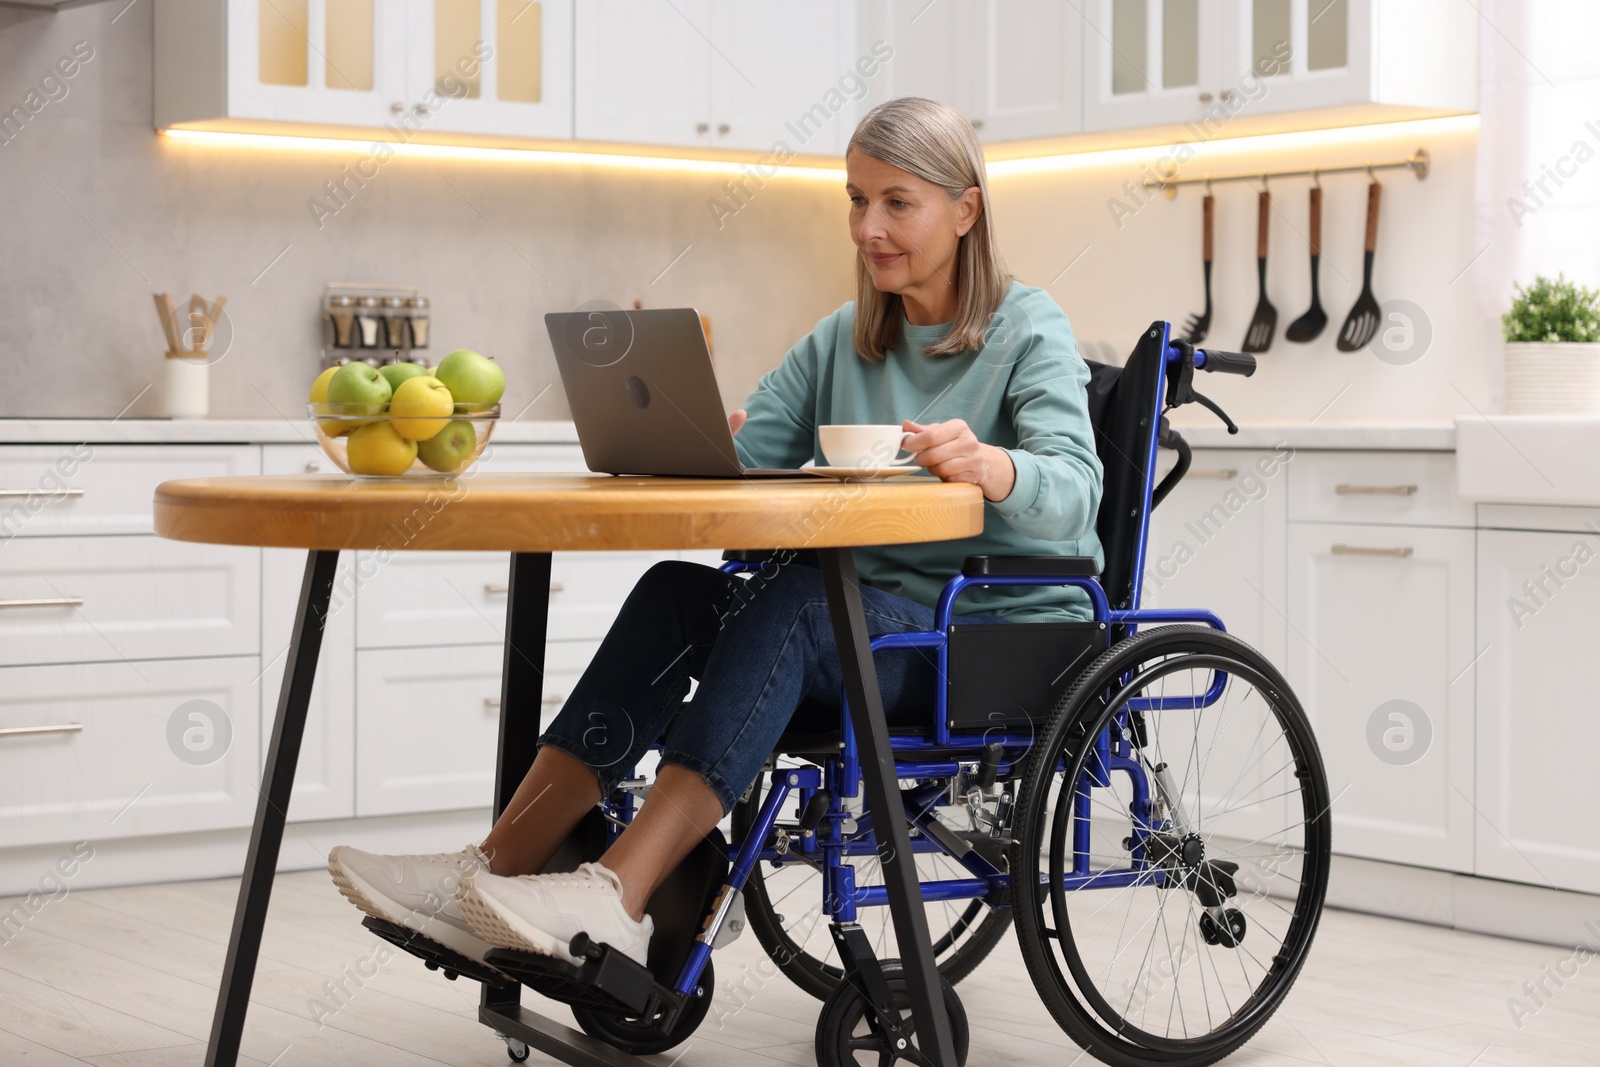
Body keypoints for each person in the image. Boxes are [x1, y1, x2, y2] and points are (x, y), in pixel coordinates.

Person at [326, 96, 1105, 970]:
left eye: (897, 202)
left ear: (965, 210)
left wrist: (996, 465)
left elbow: (1076, 491)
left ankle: (618, 890)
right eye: (856, 199)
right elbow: (735, 460)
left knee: (804, 599)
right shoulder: (842, 341)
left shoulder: (1026, 326)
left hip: (973, 638)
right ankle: (493, 868)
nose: (868, 226)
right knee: (677, 594)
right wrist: (695, 434)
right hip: (857, 623)